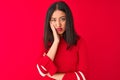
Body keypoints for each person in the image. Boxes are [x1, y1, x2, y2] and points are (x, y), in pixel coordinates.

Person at [36, 1, 88, 80]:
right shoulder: (46, 42)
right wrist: (56, 42)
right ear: (49, 22)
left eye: (62, 19)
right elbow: (42, 70)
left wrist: (53, 75)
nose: (58, 24)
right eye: (54, 20)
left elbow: (82, 77)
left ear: (68, 20)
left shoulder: (79, 42)